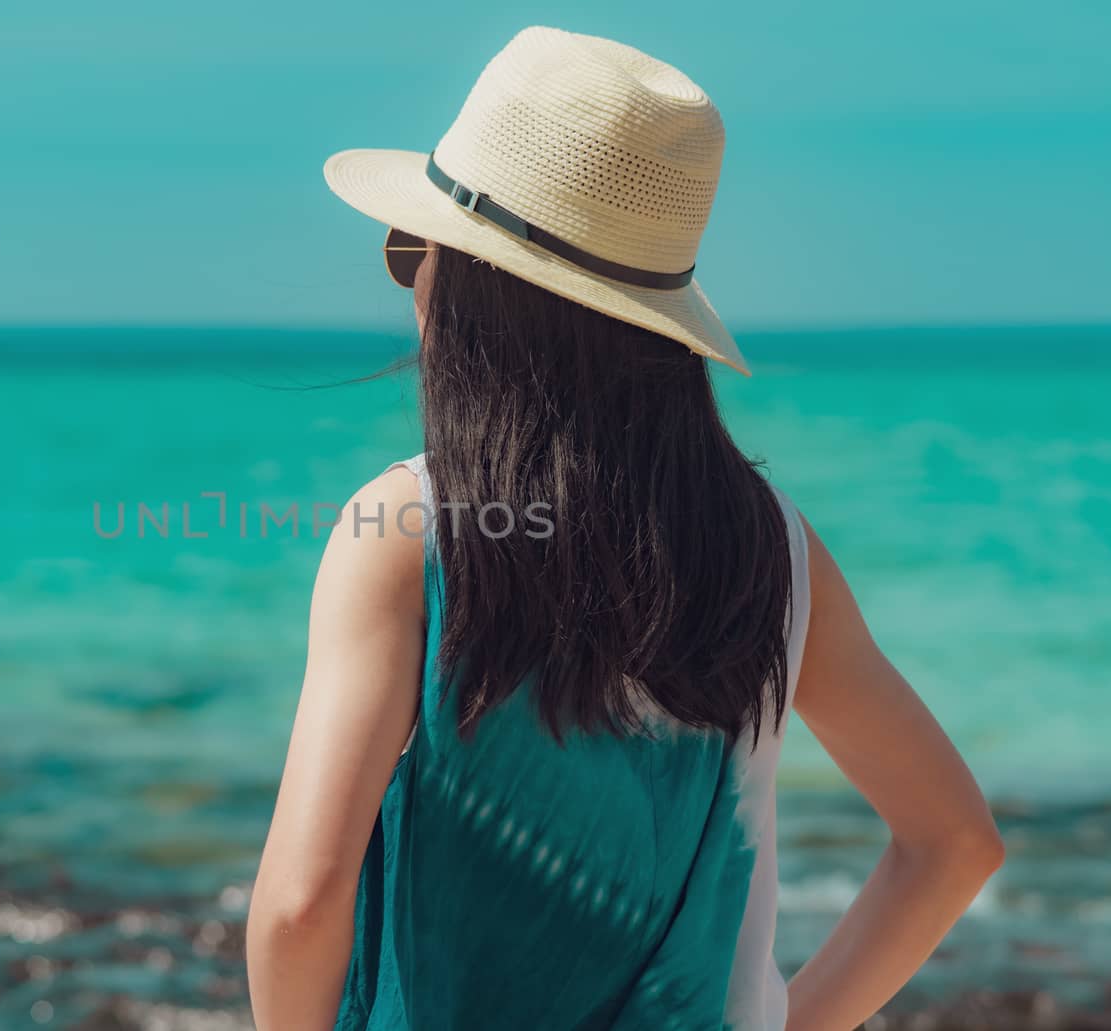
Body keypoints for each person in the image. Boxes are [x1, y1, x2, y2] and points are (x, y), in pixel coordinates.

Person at [246, 27, 1002, 1031]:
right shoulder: (774, 550)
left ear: (468, 280)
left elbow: (301, 907)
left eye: (410, 245)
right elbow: (955, 841)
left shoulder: (407, 532)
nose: (408, 276)